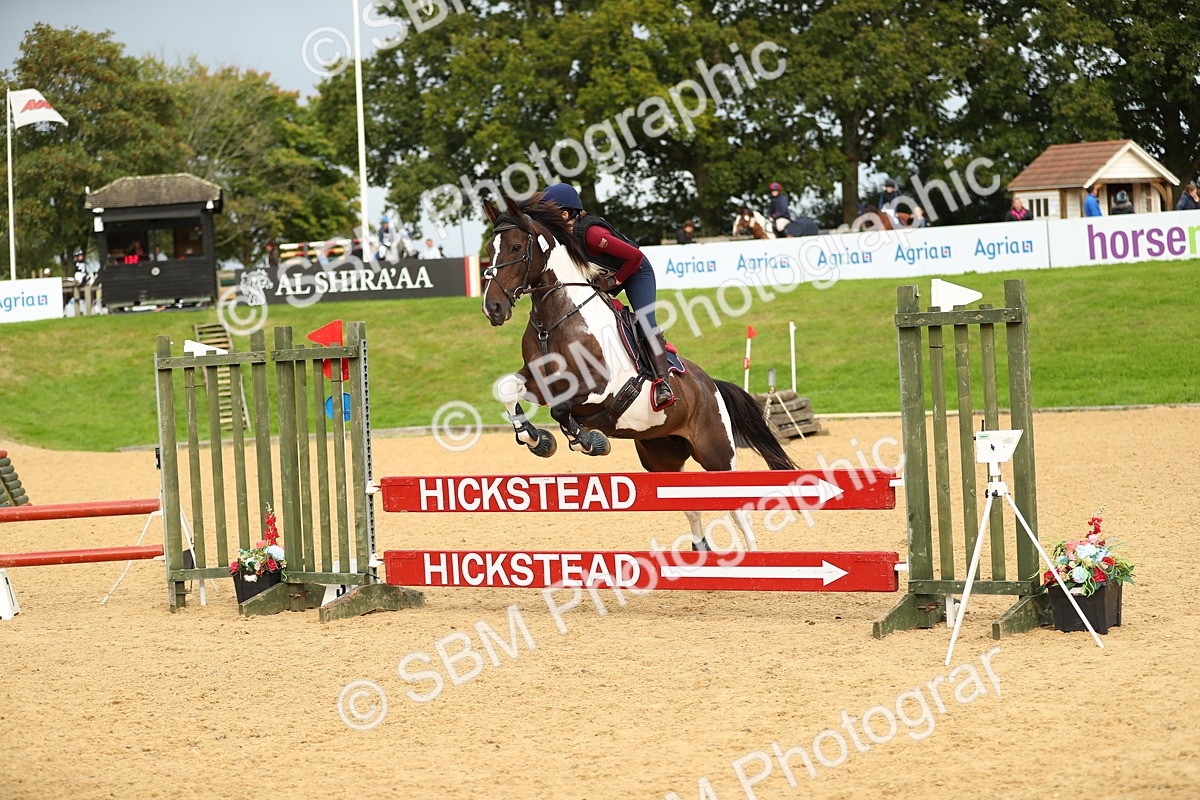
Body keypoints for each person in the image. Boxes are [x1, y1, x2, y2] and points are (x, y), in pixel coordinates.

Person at [539, 182, 675, 410]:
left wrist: (616, 281)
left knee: (644, 321)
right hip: (604, 278)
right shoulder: (562, 236)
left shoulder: (592, 234)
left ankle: (663, 383)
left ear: (564, 214)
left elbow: (635, 257)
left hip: (634, 273)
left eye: (547, 215)